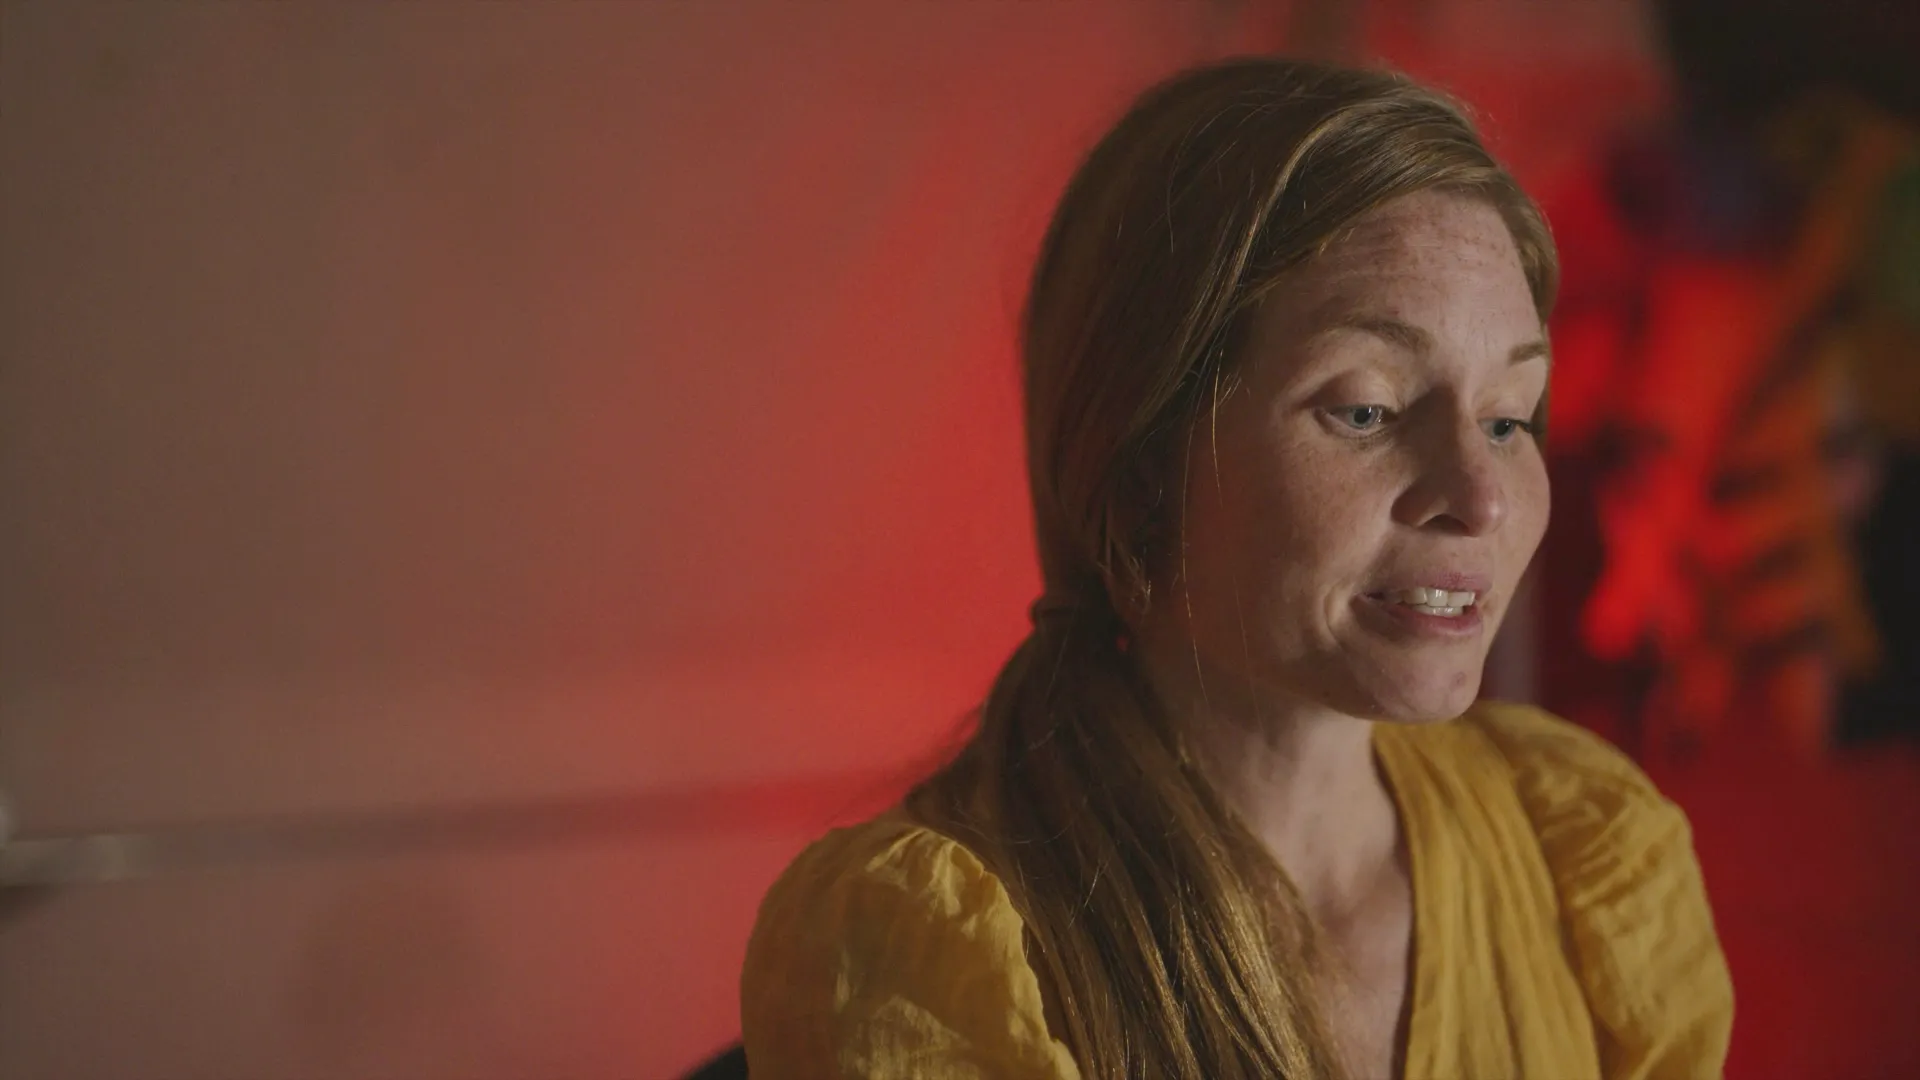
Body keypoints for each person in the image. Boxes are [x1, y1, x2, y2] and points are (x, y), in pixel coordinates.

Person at [739, 57, 1733, 1080]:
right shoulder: (930, 950)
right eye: (1368, 409)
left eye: (1509, 418)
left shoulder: (1584, 847)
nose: (1482, 500)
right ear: (1144, 467)